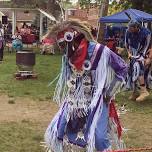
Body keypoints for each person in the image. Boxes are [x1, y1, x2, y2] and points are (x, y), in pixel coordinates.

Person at [44, 20, 127, 152]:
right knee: (58, 130)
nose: (61, 49)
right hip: (75, 98)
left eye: (62, 45)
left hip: (98, 100)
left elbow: (122, 68)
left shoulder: (101, 51)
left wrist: (109, 92)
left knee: (99, 138)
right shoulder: (69, 56)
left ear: (72, 39)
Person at [125, 20, 151, 102]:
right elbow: (126, 43)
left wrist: (148, 58)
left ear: (137, 27)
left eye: (131, 28)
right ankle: (135, 91)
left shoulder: (146, 33)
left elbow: (148, 45)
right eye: (129, 27)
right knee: (131, 72)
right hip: (133, 53)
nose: (129, 29)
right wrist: (129, 53)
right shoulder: (128, 31)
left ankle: (144, 91)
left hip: (144, 53)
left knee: (139, 68)